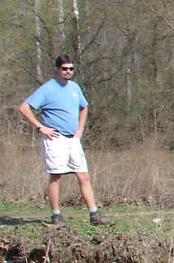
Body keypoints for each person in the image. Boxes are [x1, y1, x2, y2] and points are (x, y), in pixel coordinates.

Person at [17, 55, 110, 227]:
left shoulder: (74, 87)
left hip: (72, 139)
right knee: (56, 176)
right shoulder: (48, 89)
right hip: (55, 139)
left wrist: (80, 128)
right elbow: (24, 108)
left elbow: (84, 107)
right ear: (56, 69)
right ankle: (56, 216)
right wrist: (40, 127)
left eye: (71, 69)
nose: (68, 72)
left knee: (84, 176)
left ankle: (94, 215)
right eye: (65, 68)